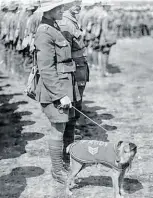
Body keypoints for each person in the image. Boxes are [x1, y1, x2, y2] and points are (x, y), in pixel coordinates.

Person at [34, 0, 80, 184]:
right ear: (49, 10)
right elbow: (45, 69)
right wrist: (60, 95)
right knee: (58, 128)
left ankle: (66, 163)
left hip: (65, 85)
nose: (63, 10)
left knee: (68, 125)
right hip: (54, 90)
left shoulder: (54, 27)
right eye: (59, 8)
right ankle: (57, 170)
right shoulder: (44, 32)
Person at [58, 0, 89, 164]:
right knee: (71, 111)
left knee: (76, 109)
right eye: (75, 2)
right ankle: (67, 154)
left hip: (79, 69)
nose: (79, 4)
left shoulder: (72, 20)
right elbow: (64, 55)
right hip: (73, 72)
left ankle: (70, 146)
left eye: (80, 1)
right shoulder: (65, 22)